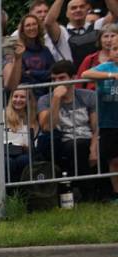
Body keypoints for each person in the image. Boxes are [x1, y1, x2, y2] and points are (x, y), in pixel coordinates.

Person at [37, 60, 98, 181]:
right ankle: (83, 189)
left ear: (73, 78)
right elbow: (48, 127)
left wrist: (93, 149)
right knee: (76, 146)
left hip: (87, 138)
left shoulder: (88, 96)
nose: (57, 82)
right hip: (61, 141)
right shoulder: (45, 100)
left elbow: (96, 127)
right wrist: (56, 98)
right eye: (54, 79)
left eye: (61, 78)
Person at [82, 42, 118, 201]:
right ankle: (116, 194)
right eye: (115, 49)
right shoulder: (106, 67)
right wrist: (112, 75)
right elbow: (85, 74)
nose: (116, 52)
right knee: (114, 160)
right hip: (109, 122)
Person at [45, 0, 118, 69]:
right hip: (73, 77)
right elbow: (49, 23)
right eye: (73, 8)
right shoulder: (62, 33)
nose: (78, 10)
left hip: (98, 73)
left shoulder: (97, 26)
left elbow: (115, 13)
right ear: (67, 13)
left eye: (82, 7)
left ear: (87, 10)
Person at [4, 88, 38, 180]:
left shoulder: (32, 118)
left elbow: (33, 142)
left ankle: (23, 192)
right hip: (5, 152)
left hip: (24, 153)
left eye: (22, 97)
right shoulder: (3, 114)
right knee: (8, 162)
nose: (18, 100)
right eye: (15, 96)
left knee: (24, 160)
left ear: (29, 100)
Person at [77, 24, 118, 88]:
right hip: (92, 96)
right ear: (100, 39)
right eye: (106, 36)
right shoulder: (90, 59)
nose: (109, 40)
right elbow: (79, 81)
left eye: (112, 36)